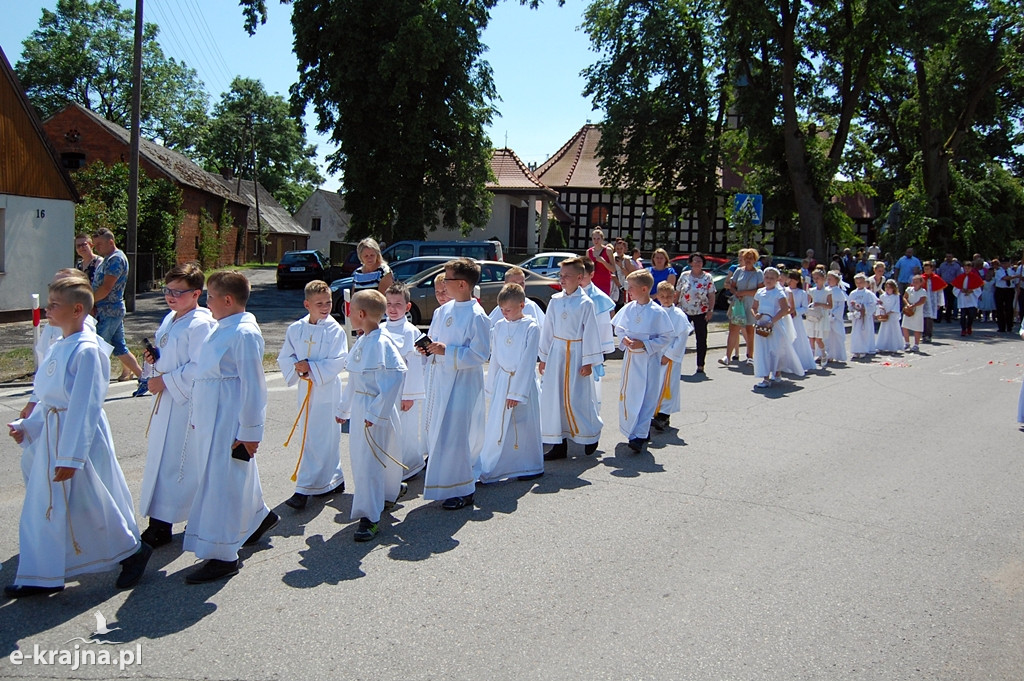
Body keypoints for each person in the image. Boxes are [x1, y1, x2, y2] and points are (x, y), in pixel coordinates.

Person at [5, 277, 151, 597]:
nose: (47, 309)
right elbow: (50, 399)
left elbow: (84, 405)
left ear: (76, 309)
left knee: (92, 503)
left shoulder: (86, 350)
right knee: (44, 505)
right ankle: (40, 575)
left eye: (54, 305)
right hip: (54, 434)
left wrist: (71, 456)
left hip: (78, 439)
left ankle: (132, 551)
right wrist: (28, 426)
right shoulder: (59, 344)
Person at [183, 271, 277, 584]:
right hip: (213, 417)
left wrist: (250, 431)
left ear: (227, 300)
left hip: (229, 419)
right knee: (232, 475)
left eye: (209, 296)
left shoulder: (244, 333)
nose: (206, 302)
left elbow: (254, 386)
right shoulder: (222, 326)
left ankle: (222, 555)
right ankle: (257, 518)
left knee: (223, 482)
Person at [137, 262, 215, 548]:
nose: (171, 296)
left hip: (186, 403)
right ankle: (160, 521)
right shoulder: (171, 318)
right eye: (168, 290)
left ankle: (163, 524)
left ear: (196, 294)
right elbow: (170, 354)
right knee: (161, 461)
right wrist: (155, 359)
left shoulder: (201, 323)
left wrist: (167, 381)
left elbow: (201, 366)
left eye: (179, 292)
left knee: (176, 464)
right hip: (167, 401)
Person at [419, 258, 491, 510]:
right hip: (441, 380)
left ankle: (464, 488)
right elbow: (436, 341)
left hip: (462, 385)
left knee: (458, 436)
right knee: (441, 434)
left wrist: (446, 351)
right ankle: (445, 483)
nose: (442, 285)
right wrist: (427, 349)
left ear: (461, 284)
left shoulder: (477, 315)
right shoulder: (442, 311)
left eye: (447, 280)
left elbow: (480, 354)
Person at [338, 290, 407, 541]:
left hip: (374, 411)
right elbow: (354, 379)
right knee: (367, 458)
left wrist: (376, 413)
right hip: (361, 409)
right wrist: (343, 409)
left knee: (368, 462)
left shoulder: (381, 343)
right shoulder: (363, 339)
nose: (348, 315)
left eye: (351, 311)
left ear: (361, 314)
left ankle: (370, 517)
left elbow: (394, 376)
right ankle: (387, 494)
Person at [277, 280, 348, 511]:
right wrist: (298, 368)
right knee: (309, 436)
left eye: (328, 302)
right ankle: (333, 478)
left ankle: (304, 489)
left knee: (325, 436)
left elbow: (338, 360)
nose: (325, 307)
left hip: (326, 389)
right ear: (307, 304)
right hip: (306, 389)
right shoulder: (296, 329)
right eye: (319, 303)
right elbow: (285, 356)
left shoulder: (334, 330)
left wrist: (312, 368)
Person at [478, 283, 544, 484]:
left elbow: (527, 362)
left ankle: (530, 465)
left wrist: (517, 393)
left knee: (524, 424)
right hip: (503, 380)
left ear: (522, 305)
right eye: (502, 310)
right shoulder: (498, 326)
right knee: (498, 423)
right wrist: (493, 384)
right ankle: (496, 463)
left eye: (508, 310)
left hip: (521, 384)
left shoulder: (531, 328)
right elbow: (495, 357)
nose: (504, 314)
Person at [538, 257, 604, 459]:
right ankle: (559, 443)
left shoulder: (585, 303)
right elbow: (548, 329)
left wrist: (589, 361)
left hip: (576, 353)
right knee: (555, 399)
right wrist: (544, 356)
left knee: (578, 398)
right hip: (557, 352)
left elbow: (591, 332)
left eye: (567, 276)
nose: (563, 279)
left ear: (580, 277)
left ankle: (590, 434)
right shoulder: (556, 301)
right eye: (561, 275)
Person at [611, 269, 673, 451]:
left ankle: (640, 434)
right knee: (631, 395)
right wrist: (625, 339)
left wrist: (645, 344)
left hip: (648, 360)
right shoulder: (629, 308)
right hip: (631, 360)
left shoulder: (657, 312)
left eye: (632, 287)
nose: (628, 290)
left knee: (647, 395)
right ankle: (632, 429)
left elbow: (666, 337)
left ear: (644, 289)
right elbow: (619, 328)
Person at [384, 283, 428, 480]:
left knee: (405, 427)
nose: (393, 309)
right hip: (384, 387)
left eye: (398, 304)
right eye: (389, 304)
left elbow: (416, 364)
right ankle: (388, 464)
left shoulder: (410, 331)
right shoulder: (380, 328)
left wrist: (410, 395)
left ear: (407, 307)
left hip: (403, 388)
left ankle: (409, 464)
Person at [90, 228, 144, 384]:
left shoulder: (116, 259)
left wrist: (90, 301)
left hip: (109, 310)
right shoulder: (107, 259)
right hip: (107, 310)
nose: (97, 248)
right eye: (95, 245)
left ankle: (94, 382)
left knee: (99, 347)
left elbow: (106, 288)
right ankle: (143, 377)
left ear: (111, 242)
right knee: (119, 347)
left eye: (99, 244)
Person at [750, 267, 803, 388]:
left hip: (775, 325)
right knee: (762, 351)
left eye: (772, 278)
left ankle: (777, 371)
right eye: (767, 277)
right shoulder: (760, 292)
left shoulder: (779, 293)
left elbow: (785, 310)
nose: (768, 280)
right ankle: (765, 377)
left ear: (777, 279)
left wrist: (772, 321)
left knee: (775, 350)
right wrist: (756, 315)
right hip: (761, 325)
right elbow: (753, 307)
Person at [651, 281, 692, 431]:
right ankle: (655, 412)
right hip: (657, 355)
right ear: (658, 297)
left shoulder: (678, 315)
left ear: (674, 296)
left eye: (669, 296)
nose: (666, 299)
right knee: (656, 384)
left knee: (668, 384)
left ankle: (663, 415)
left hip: (670, 357)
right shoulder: (656, 312)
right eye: (662, 296)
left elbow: (682, 337)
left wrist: (669, 355)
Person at [720, 248, 763, 366]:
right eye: (746, 258)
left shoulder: (758, 273)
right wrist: (736, 293)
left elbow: (759, 290)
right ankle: (727, 356)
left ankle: (750, 356)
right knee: (733, 328)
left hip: (751, 303)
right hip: (738, 303)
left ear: (755, 260)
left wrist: (743, 293)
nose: (748, 260)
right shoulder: (739, 271)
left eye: (750, 258)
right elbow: (731, 285)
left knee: (750, 330)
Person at [675, 253, 716, 373]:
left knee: (701, 338)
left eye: (700, 261)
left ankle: (700, 365)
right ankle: (676, 361)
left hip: (701, 311)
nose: (697, 263)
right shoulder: (684, 275)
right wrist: (672, 307)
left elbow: (711, 294)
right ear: (691, 263)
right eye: (695, 261)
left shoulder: (707, 277)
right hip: (684, 311)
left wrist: (710, 310)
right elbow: (677, 292)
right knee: (679, 337)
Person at [785, 269, 818, 373]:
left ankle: (799, 362)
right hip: (786, 318)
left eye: (791, 279)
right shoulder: (784, 290)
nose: (789, 281)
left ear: (796, 280)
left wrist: (796, 312)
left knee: (797, 339)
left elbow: (805, 307)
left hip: (796, 319)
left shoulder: (802, 293)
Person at [847, 273, 879, 358]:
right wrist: (853, 307)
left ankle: (864, 349)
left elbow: (873, 304)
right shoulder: (853, 293)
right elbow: (849, 304)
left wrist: (863, 307)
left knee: (865, 332)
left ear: (865, 282)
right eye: (857, 282)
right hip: (857, 317)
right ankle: (856, 349)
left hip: (865, 317)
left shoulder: (868, 293)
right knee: (856, 333)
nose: (859, 284)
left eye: (861, 282)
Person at [806, 270, 833, 368]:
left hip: (821, 315)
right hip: (813, 315)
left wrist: (820, 304)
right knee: (811, 338)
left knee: (818, 339)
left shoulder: (827, 291)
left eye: (818, 278)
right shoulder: (812, 290)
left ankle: (823, 354)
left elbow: (830, 305)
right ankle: (811, 358)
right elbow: (807, 302)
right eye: (814, 278)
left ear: (823, 279)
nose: (816, 280)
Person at [951, 262, 984, 336]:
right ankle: (963, 329)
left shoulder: (975, 277)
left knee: (971, 315)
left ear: (971, 268)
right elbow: (955, 289)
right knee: (962, 315)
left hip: (971, 298)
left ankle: (969, 326)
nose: (967, 270)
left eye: (968, 268)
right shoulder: (960, 277)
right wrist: (960, 290)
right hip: (963, 299)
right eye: (965, 268)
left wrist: (972, 290)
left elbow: (978, 289)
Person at [825, 271, 849, 364]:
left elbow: (841, 306)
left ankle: (838, 355)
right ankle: (826, 354)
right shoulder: (826, 289)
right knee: (826, 337)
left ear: (836, 280)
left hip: (835, 318)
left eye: (830, 278)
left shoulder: (839, 292)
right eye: (828, 278)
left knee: (837, 336)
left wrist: (834, 314)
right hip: (826, 316)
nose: (828, 280)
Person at [920, 261, 946, 342]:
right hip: (924, 300)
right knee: (923, 318)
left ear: (932, 269)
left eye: (928, 269)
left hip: (932, 300)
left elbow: (939, 291)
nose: (926, 270)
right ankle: (924, 334)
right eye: (925, 269)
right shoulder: (921, 278)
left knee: (929, 318)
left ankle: (929, 335)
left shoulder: (936, 278)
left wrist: (939, 302)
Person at [901, 274, 928, 352]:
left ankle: (916, 345)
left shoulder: (923, 291)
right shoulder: (909, 289)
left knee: (917, 328)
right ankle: (907, 343)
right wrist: (908, 304)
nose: (915, 283)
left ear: (921, 283)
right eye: (914, 281)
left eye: (917, 282)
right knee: (905, 326)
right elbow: (904, 297)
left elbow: (922, 300)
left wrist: (914, 305)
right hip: (908, 309)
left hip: (918, 311)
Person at [587, 228, 617, 296]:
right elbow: (587, 268)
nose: (596, 241)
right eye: (594, 238)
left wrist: (603, 261)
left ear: (602, 239)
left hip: (604, 281)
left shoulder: (608, 251)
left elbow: (613, 269)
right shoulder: (589, 252)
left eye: (598, 238)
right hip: (592, 280)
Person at [937, 253, 963, 322]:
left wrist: (956, 285)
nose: (948, 258)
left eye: (950, 257)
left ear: (952, 257)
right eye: (947, 257)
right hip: (943, 285)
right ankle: (939, 317)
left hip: (952, 285)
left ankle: (948, 317)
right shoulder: (942, 265)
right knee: (941, 300)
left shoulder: (956, 266)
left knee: (950, 302)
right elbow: (938, 275)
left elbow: (959, 277)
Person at [993, 257, 1016, 332]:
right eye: (1003, 263)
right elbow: (1005, 278)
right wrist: (1016, 276)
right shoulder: (999, 271)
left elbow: (1015, 281)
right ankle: (1001, 327)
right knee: (1000, 309)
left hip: (1009, 290)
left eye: (1006, 263)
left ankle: (1009, 326)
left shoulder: (1011, 271)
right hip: (1000, 290)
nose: (1005, 265)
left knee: (1009, 308)